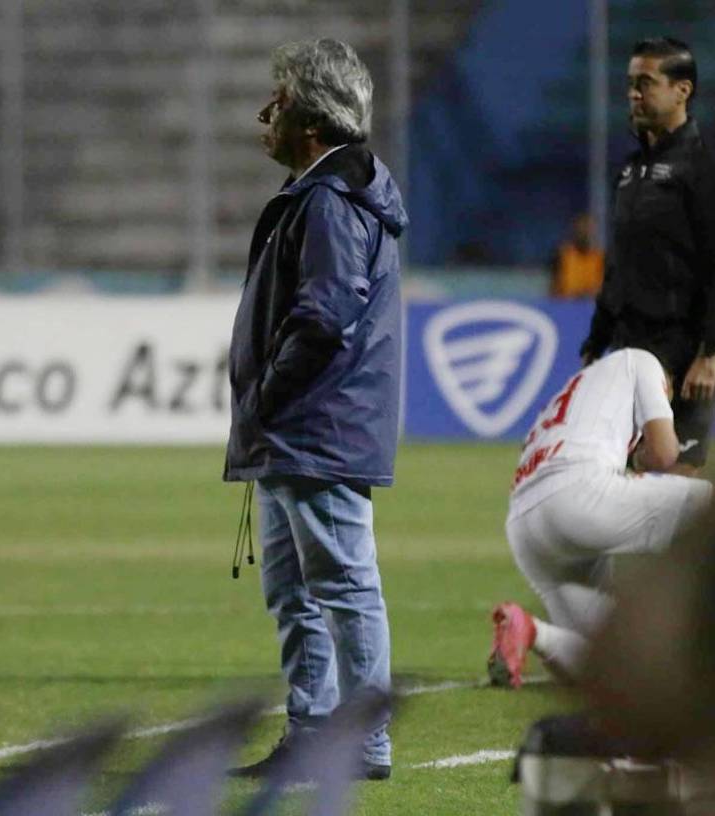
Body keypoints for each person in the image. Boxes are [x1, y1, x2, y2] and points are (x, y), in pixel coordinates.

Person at [222, 38, 408, 781]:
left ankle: (363, 742)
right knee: (295, 592)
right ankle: (312, 734)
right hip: (300, 430)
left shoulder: (330, 201)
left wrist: (268, 396)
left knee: (342, 584)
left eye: (279, 97)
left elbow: (325, 315)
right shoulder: (327, 194)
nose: (265, 110)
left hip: (316, 427)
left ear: (309, 121)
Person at [488, 348, 713, 688]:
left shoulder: (575, 391)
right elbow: (665, 453)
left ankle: (531, 631)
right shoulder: (643, 360)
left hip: (525, 524)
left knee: (610, 664)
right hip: (576, 494)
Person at [580, 37, 715, 476]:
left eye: (646, 83)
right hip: (630, 350)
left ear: (682, 91)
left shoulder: (704, 168)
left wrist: (710, 351)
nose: (634, 93)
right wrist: (597, 342)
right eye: (631, 83)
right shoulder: (631, 172)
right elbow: (619, 266)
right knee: (619, 482)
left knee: (676, 482)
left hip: (684, 349)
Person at [549, 213, 604, 299]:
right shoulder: (563, 255)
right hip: (567, 304)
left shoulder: (599, 257)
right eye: (582, 230)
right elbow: (554, 287)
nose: (585, 233)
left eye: (588, 230)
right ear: (575, 230)